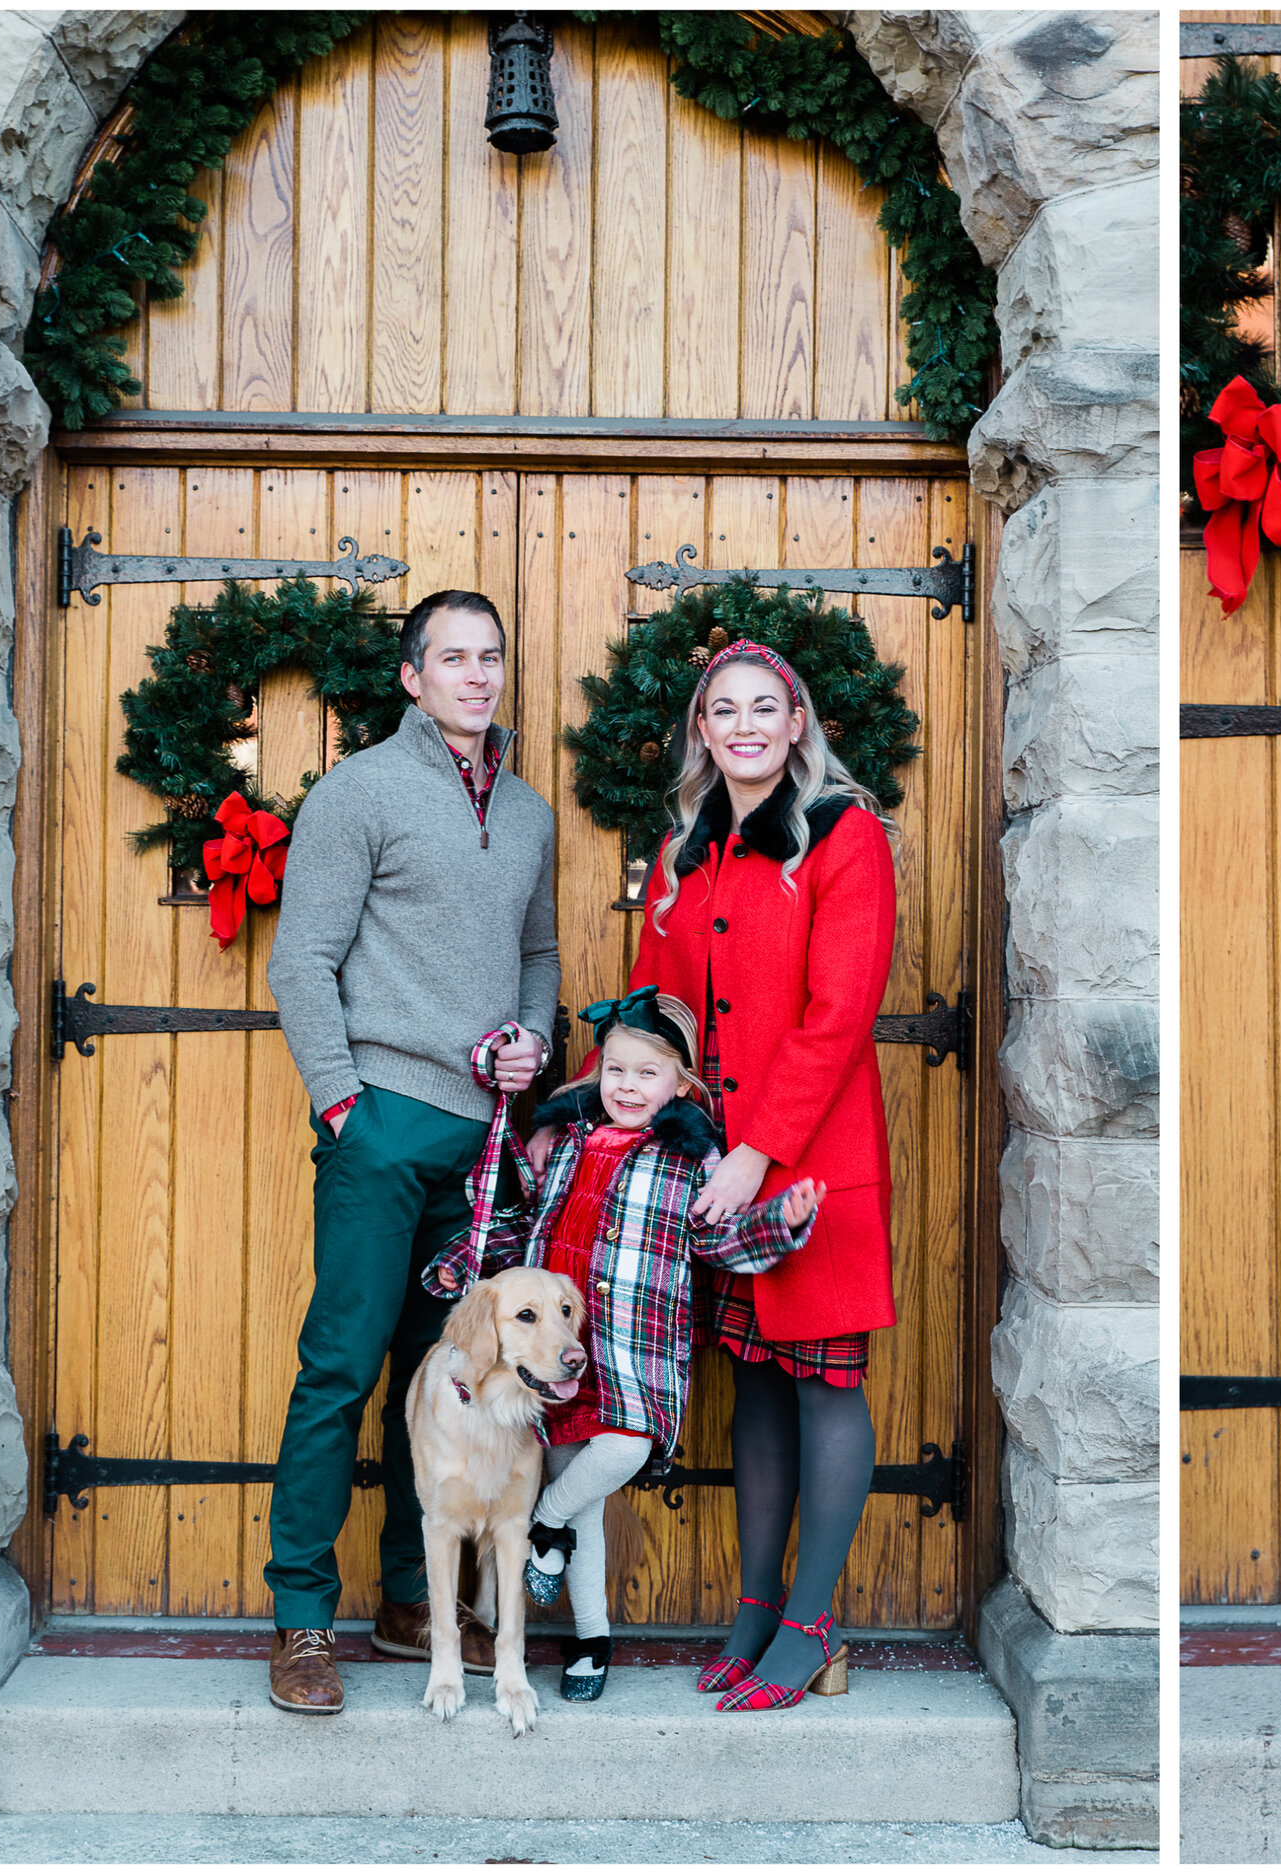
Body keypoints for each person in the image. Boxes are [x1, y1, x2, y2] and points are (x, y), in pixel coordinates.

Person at [538, 634, 897, 1711]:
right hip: (707, 1167)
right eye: (722, 710)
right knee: (752, 1376)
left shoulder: (844, 836)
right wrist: (581, 1107)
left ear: (796, 724)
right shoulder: (687, 845)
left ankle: (812, 1618)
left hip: (807, 1168)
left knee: (824, 1378)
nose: (743, 725)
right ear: (702, 729)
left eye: (763, 708)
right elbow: (656, 1014)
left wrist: (753, 1152)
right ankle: (753, 1606)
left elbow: (840, 1015)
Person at [261, 589, 559, 1715]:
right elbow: (302, 962)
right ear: (412, 676)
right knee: (342, 1366)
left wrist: (535, 1031)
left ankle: (409, 1599)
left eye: (490, 655)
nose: (477, 674)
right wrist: (345, 1106)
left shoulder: (525, 810)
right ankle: (301, 1614)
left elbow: (537, 951)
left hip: (483, 1147)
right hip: (382, 1123)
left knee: (449, 1374)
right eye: (453, 657)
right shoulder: (361, 793)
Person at [423, 988, 823, 1701]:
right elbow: (521, 1236)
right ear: (594, 1076)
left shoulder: (686, 1163)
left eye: (647, 1075)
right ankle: (592, 1640)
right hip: (560, 1355)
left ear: (682, 1087)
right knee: (585, 1503)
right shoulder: (567, 1146)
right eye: (616, 1072)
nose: (628, 1088)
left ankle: (542, 1526)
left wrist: (781, 1225)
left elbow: (721, 1239)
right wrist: (463, 1263)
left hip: (634, 1354)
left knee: (624, 1451)